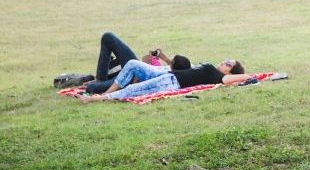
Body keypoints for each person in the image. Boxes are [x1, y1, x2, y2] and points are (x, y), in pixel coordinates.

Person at [77, 59, 248, 103]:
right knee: (133, 64)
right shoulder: (210, 68)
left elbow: (234, 79)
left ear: (230, 71)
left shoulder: (218, 77)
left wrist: (251, 76)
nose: (223, 62)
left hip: (171, 83)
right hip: (166, 75)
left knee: (133, 90)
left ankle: (98, 98)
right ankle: (107, 92)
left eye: (228, 63)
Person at [85, 32, 190, 94]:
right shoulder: (170, 69)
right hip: (133, 66)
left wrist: (142, 66)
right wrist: (160, 56)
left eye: (171, 61)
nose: (169, 61)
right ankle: (100, 78)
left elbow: (138, 83)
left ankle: (100, 82)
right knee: (108, 37)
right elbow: (172, 65)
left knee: (90, 88)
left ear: (173, 67)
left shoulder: (165, 79)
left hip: (128, 79)